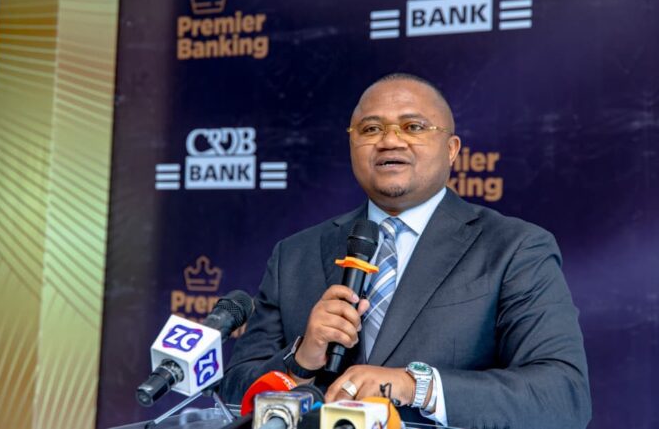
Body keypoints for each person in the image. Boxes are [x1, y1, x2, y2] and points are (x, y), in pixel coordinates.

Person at [220, 74, 592, 429]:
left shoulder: (515, 248)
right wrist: (300, 360)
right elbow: (232, 396)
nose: (390, 141)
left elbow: (563, 397)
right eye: (371, 129)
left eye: (413, 127)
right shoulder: (294, 255)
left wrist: (416, 386)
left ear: (451, 150)